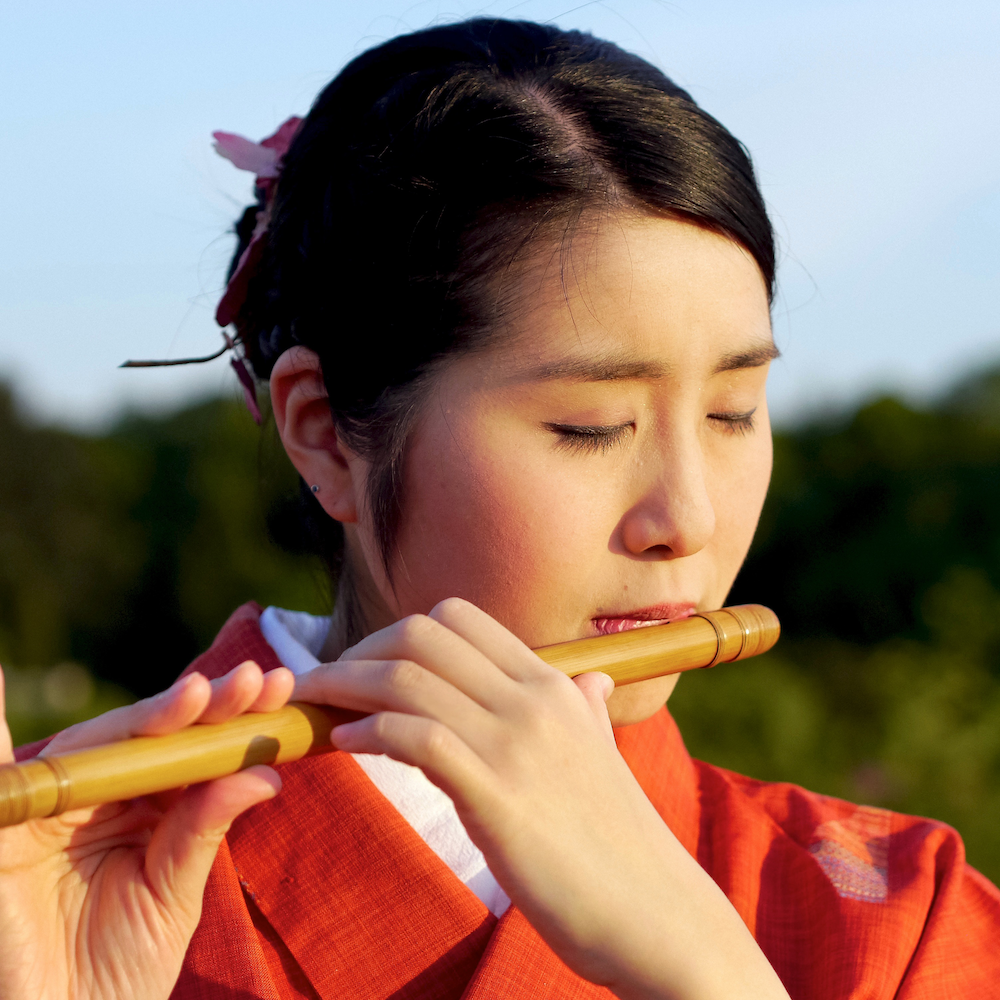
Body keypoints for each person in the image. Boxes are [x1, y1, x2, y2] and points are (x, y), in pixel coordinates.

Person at [2, 18, 998, 1000]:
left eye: (733, 411)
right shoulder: (43, 876)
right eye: (590, 426)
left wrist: (707, 969)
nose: (688, 519)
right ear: (325, 431)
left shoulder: (903, 923)